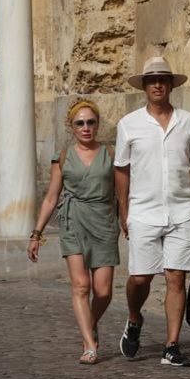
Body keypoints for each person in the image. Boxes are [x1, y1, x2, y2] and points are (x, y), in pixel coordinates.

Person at [114, 56, 190, 367]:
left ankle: (171, 345)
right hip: (144, 212)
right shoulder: (129, 124)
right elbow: (121, 169)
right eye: (151, 80)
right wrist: (124, 209)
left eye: (163, 79)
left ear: (171, 84)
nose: (157, 84)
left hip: (183, 210)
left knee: (176, 277)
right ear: (145, 87)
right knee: (139, 277)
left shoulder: (188, 121)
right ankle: (135, 318)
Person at [27, 100, 120, 365]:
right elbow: (51, 197)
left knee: (103, 292)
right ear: (72, 127)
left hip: (103, 221)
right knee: (81, 286)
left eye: (91, 122)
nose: (86, 127)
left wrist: (127, 220)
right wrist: (36, 234)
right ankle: (90, 345)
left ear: (97, 124)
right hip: (73, 220)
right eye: (80, 123)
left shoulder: (111, 154)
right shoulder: (63, 156)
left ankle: (88, 324)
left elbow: (124, 193)